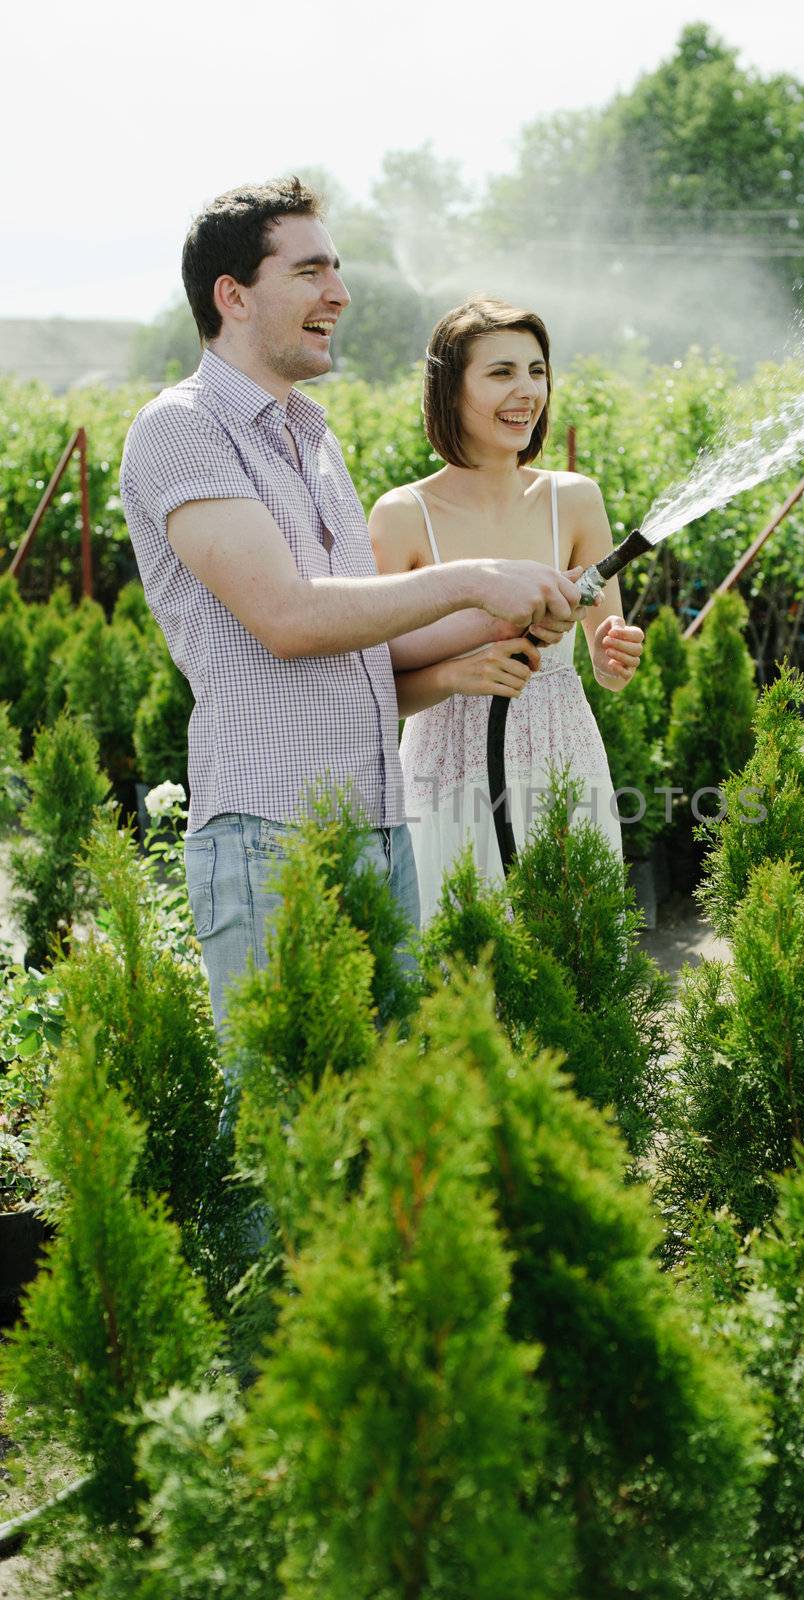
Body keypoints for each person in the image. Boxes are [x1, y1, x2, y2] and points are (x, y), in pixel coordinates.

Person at [120, 183, 579, 1031]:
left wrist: (516, 610)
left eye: (338, 270)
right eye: (311, 271)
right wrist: (478, 576)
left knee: (381, 1112)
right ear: (234, 295)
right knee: (286, 1117)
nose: (340, 293)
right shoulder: (181, 428)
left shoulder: (314, 438)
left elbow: (368, 643)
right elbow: (289, 617)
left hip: (379, 827)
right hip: (273, 833)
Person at [370, 298, 645, 923]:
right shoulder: (402, 516)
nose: (527, 390)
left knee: (574, 956)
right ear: (449, 387)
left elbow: (607, 657)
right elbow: (372, 683)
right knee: (459, 957)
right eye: (501, 373)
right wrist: (451, 678)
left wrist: (613, 657)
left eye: (537, 370)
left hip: (563, 750)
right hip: (446, 764)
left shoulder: (574, 501)